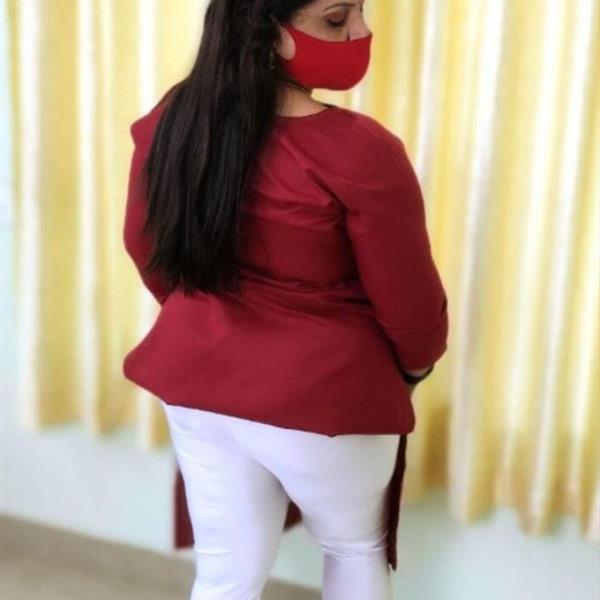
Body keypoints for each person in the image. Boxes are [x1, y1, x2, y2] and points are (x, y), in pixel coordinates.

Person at [122, 1, 449, 598]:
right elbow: (412, 308)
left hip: (198, 388)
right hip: (325, 400)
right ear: (267, 32)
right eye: (338, 18)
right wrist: (411, 370)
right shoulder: (362, 151)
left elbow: (145, 246)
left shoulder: (176, 117)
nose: (363, 31)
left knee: (225, 574)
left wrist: (206, 321)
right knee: (354, 549)